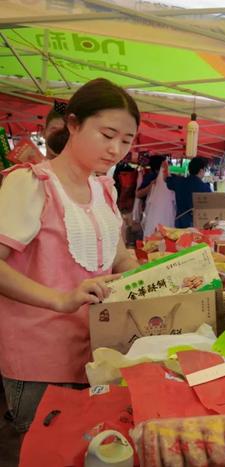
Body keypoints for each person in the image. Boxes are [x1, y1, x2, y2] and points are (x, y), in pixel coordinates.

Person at [0, 78, 141, 435]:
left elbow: (119, 256)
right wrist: (61, 299)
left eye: (126, 140)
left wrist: (145, 276)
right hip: (41, 361)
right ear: (74, 125)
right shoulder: (30, 183)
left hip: (99, 355)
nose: (116, 150)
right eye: (107, 135)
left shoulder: (103, 189)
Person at [166, 156, 212, 228]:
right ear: (201, 170)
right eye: (204, 170)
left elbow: (167, 180)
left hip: (179, 222)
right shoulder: (205, 188)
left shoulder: (179, 182)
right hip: (197, 223)